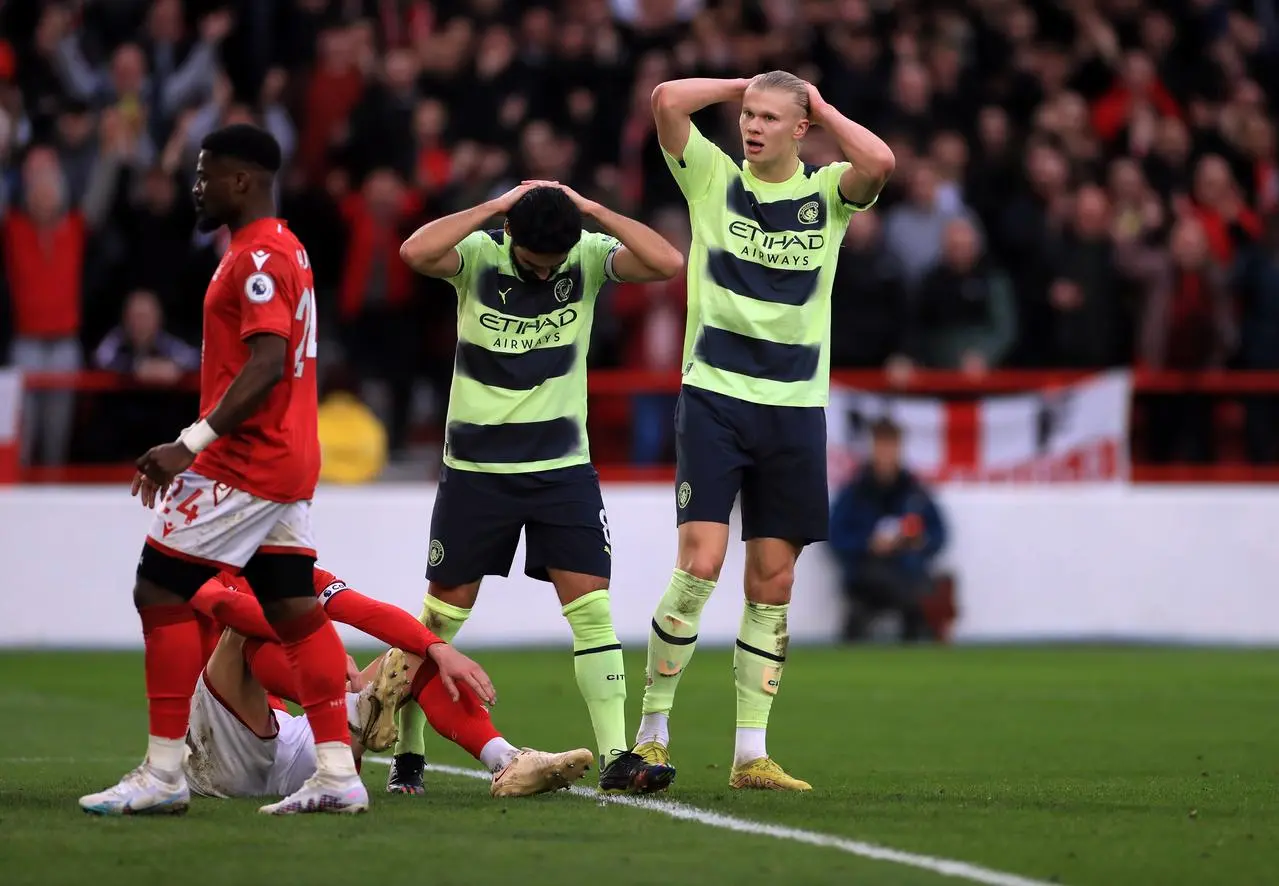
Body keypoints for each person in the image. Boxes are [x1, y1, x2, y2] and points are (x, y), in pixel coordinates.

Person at [80, 124, 362, 817]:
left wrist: (190, 443)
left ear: (243, 180)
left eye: (207, 175)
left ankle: (163, 772)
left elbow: (267, 362)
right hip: (287, 457)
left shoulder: (258, 255)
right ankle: (336, 773)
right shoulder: (282, 247)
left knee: (159, 587)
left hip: (248, 459)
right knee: (292, 606)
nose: (197, 187)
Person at [636, 71, 895, 790]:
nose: (751, 125)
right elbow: (665, 100)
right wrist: (738, 84)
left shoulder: (828, 194)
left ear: (800, 128)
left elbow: (879, 163)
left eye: (769, 117)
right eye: (748, 115)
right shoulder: (712, 177)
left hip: (794, 409)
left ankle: (750, 753)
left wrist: (822, 104)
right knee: (700, 564)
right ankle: (651, 735)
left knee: (773, 579)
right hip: (715, 398)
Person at [392, 181, 684, 795]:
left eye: (554, 263)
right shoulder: (478, 255)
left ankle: (617, 757)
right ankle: (408, 751)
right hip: (477, 472)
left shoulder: (585, 256)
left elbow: (667, 262)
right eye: (533, 262)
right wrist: (494, 206)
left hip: (561, 469)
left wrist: (594, 210)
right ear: (509, 236)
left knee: (593, 608)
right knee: (440, 620)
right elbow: (414, 252)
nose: (545, 272)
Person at [184, 567, 595, 800]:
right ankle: (358, 711)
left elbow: (364, 610)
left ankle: (506, 761)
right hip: (218, 755)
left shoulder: (286, 564)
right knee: (242, 632)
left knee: (411, 654)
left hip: (294, 747)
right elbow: (225, 605)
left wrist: (437, 647)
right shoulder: (192, 562)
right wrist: (316, 646)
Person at [828, 418, 948, 642]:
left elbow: (938, 533)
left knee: (919, 583)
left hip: (906, 567)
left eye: (891, 445)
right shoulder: (855, 491)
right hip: (866, 572)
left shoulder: (914, 491)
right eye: (881, 445)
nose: (886, 453)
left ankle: (917, 622)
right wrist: (868, 544)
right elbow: (836, 535)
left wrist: (919, 541)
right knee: (910, 589)